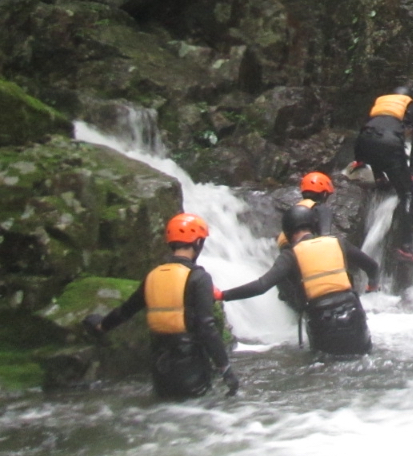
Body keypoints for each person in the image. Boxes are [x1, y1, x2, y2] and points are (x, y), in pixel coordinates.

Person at [83, 213, 239, 399]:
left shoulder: (153, 276)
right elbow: (207, 327)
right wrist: (226, 369)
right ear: (198, 243)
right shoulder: (199, 278)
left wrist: (101, 326)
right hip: (192, 370)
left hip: (161, 372)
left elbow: (126, 310)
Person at [218, 205, 380, 357]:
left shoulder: (291, 255)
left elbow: (261, 286)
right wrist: (371, 286)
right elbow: (372, 267)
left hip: (322, 322)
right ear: (313, 226)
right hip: (353, 316)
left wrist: (222, 295)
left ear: (287, 233)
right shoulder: (337, 243)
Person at [351, 87, 413, 265]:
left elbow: (367, 129)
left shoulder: (380, 103)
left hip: (364, 143)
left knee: (378, 148)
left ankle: (380, 179)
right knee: (407, 194)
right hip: (389, 145)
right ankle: (405, 248)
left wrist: (359, 160)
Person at [275, 170, 336, 248]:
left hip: (286, 250)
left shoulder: (294, 210)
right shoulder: (321, 209)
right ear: (324, 194)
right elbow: (325, 237)